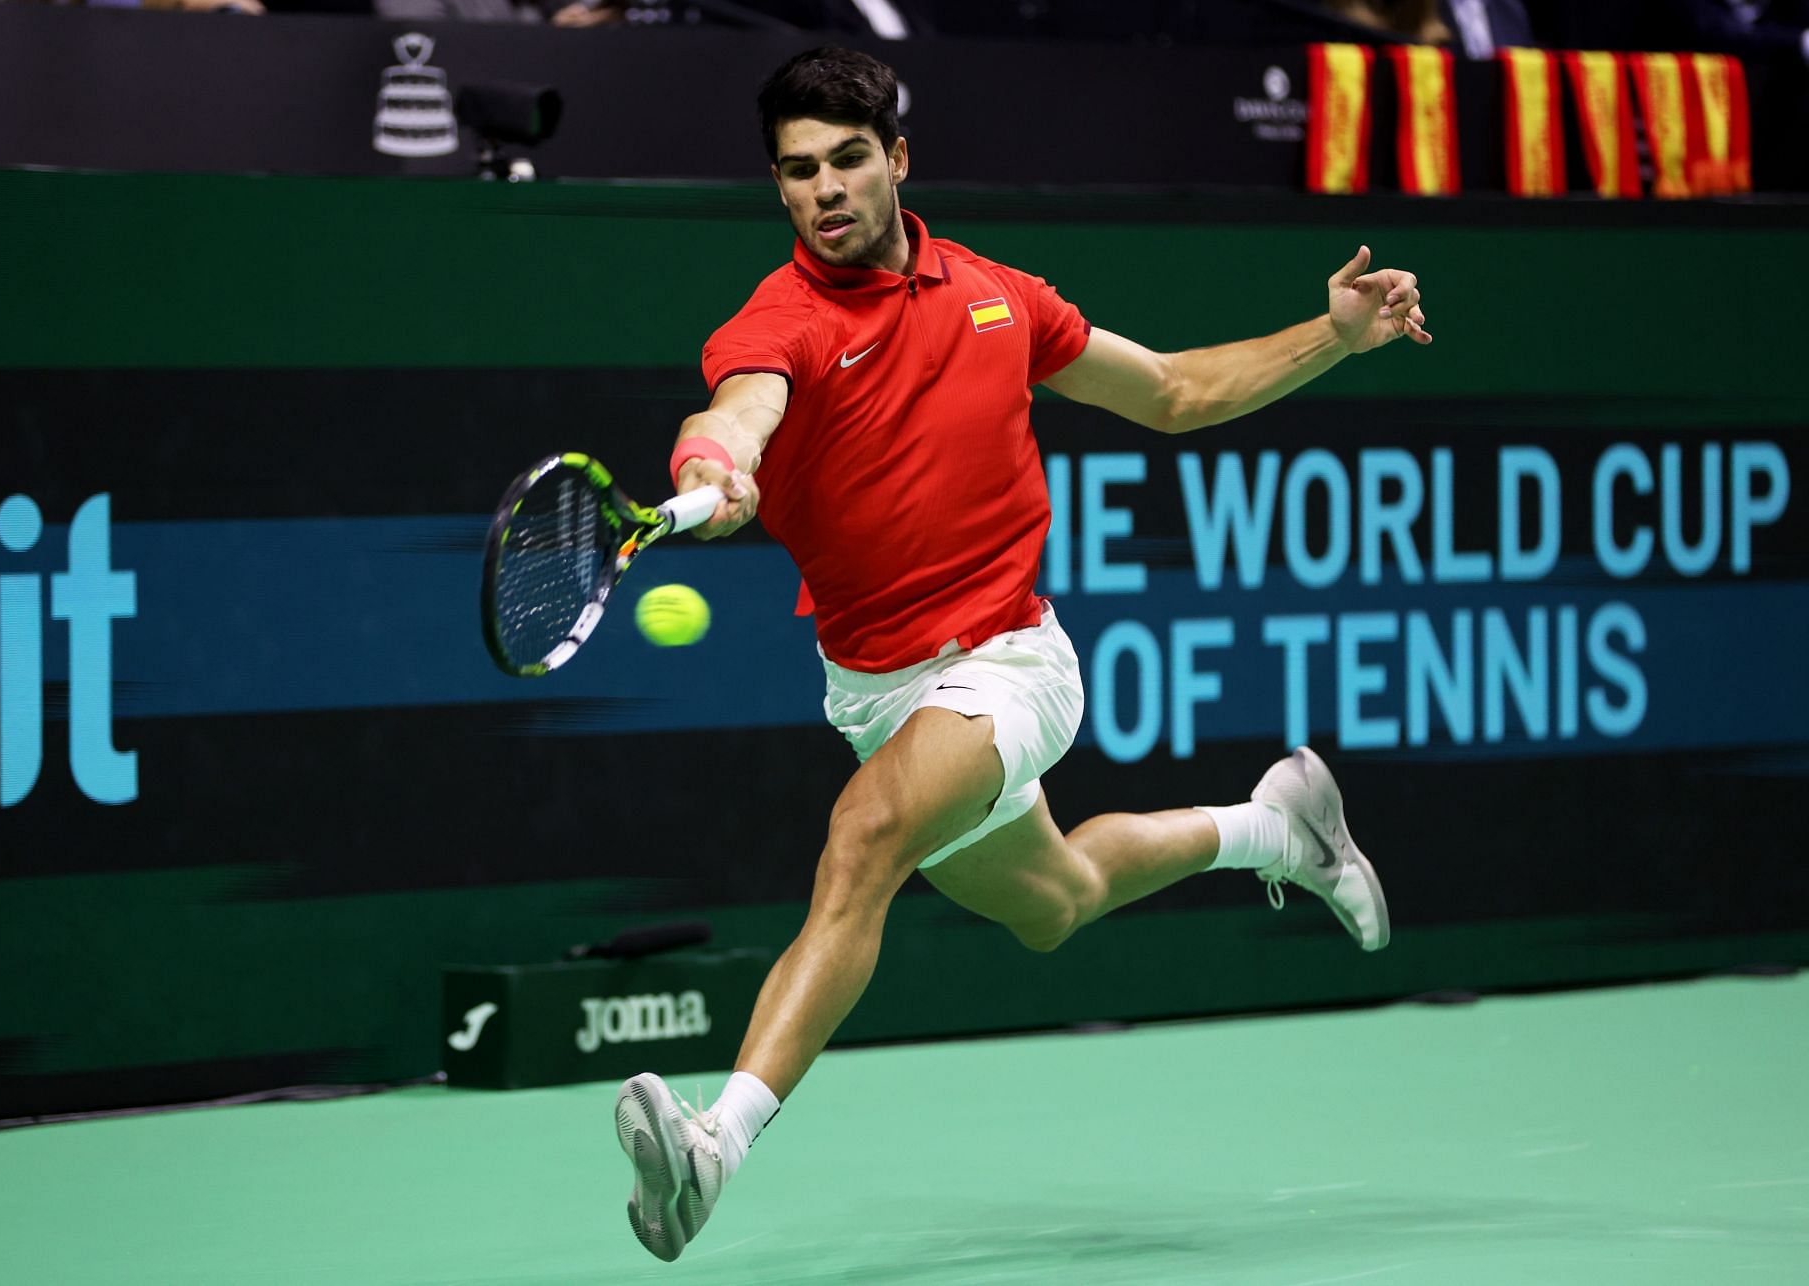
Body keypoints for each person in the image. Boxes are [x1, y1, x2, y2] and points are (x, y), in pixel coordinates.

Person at [613, 46, 1431, 1263]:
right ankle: (1281, 826)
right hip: (878, 691)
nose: (825, 190)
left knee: (864, 841)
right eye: (798, 172)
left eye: (847, 160)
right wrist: (712, 468)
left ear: (896, 158)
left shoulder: (1001, 297)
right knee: (1057, 904)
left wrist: (1333, 334)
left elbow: (1173, 392)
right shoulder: (774, 323)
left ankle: (714, 1143)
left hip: (1010, 661)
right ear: (778, 187)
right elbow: (735, 412)